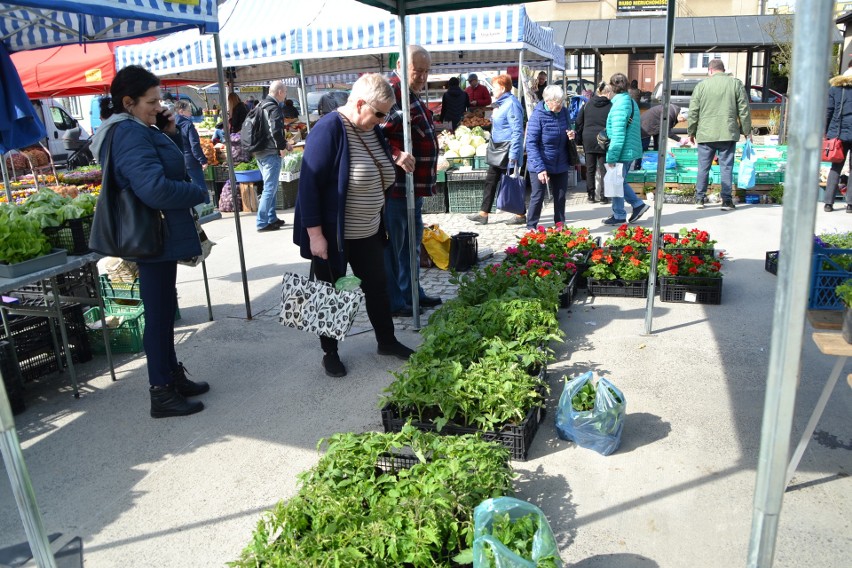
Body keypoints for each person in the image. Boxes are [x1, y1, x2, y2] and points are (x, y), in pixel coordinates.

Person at [88, 65, 209, 419]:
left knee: (162, 310)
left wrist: (167, 133)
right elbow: (153, 188)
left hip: (157, 235)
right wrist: (195, 191)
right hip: (152, 237)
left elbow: (156, 169)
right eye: (151, 101)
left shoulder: (138, 129)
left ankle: (172, 377)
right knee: (157, 316)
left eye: (160, 100)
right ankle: (161, 392)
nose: (159, 106)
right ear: (128, 102)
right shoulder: (128, 134)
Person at [293, 74, 415, 377]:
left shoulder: (372, 130)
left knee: (377, 287)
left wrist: (397, 157)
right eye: (379, 113)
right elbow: (308, 186)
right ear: (360, 103)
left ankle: (386, 341)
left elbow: (378, 157)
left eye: (386, 114)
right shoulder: (328, 130)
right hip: (334, 236)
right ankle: (329, 352)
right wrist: (315, 236)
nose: (383, 120)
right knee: (331, 292)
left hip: (369, 230)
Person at [380, 45, 443, 317]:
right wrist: (395, 154)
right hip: (395, 189)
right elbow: (373, 134)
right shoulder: (390, 92)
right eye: (418, 71)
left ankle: (412, 292)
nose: (423, 76)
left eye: (427, 71)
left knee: (412, 245)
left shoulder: (409, 93)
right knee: (396, 247)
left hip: (412, 188)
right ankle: (395, 300)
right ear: (400, 64)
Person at [687, 59, 752, 211]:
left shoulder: (701, 86)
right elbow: (744, 109)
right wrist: (746, 130)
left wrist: (691, 131)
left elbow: (693, 111)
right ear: (724, 70)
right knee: (726, 167)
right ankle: (727, 201)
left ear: (710, 71)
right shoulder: (735, 84)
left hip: (705, 133)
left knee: (703, 167)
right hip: (727, 132)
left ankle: (699, 199)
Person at [466, 74, 525, 225]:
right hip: (498, 147)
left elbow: (517, 130)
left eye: (495, 87)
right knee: (491, 180)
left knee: (509, 182)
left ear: (503, 88)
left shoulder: (511, 104)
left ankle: (519, 214)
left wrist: (514, 154)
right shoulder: (501, 104)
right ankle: (484, 213)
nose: (492, 90)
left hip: (506, 149)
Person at [602, 72, 651, 226]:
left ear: (611, 86)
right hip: (629, 148)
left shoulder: (619, 105)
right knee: (618, 181)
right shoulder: (630, 101)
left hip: (622, 150)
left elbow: (618, 134)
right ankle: (628, 209)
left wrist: (611, 157)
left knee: (616, 181)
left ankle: (626, 211)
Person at [525, 85, 575, 230]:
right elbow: (531, 144)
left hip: (561, 161)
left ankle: (560, 225)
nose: (560, 105)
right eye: (557, 102)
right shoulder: (537, 115)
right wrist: (540, 169)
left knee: (560, 196)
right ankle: (531, 227)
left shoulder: (564, 112)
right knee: (538, 196)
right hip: (540, 162)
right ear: (547, 101)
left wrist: (572, 135)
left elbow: (570, 128)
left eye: (561, 101)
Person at [252, 80, 292, 232]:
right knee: (270, 188)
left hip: (260, 152)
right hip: (270, 153)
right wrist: (283, 146)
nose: (285, 95)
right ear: (280, 92)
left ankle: (271, 217)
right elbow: (275, 131)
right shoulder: (273, 108)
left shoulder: (260, 105)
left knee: (271, 186)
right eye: (285, 92)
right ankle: (262, 222)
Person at [575, 81, 613, 203]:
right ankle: (604, 196)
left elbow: (578, 121)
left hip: (588, 138)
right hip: (603, 139)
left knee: (590, 168)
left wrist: (579, 138)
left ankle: (591, 195)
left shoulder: (587, 104)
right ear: (607, 93)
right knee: (604, 169)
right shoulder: (611, 106)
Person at [822, 71, 852, 213]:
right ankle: (850, 204)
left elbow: (828, 111)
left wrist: (825, 132)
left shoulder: (835, 88)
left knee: (836, 167)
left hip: (838, 134)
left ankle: (828, 203)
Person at [174, 99, 209, 197]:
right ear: (181, 111)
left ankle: (193, 210)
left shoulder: (171, 124)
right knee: (200, 187)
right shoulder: (188, 125)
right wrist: (202, 160)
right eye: (189, 110)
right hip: (190, 160)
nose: (191, 113)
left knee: (185, 190)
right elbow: (194, 145)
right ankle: (205, 208)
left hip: (177, 160)